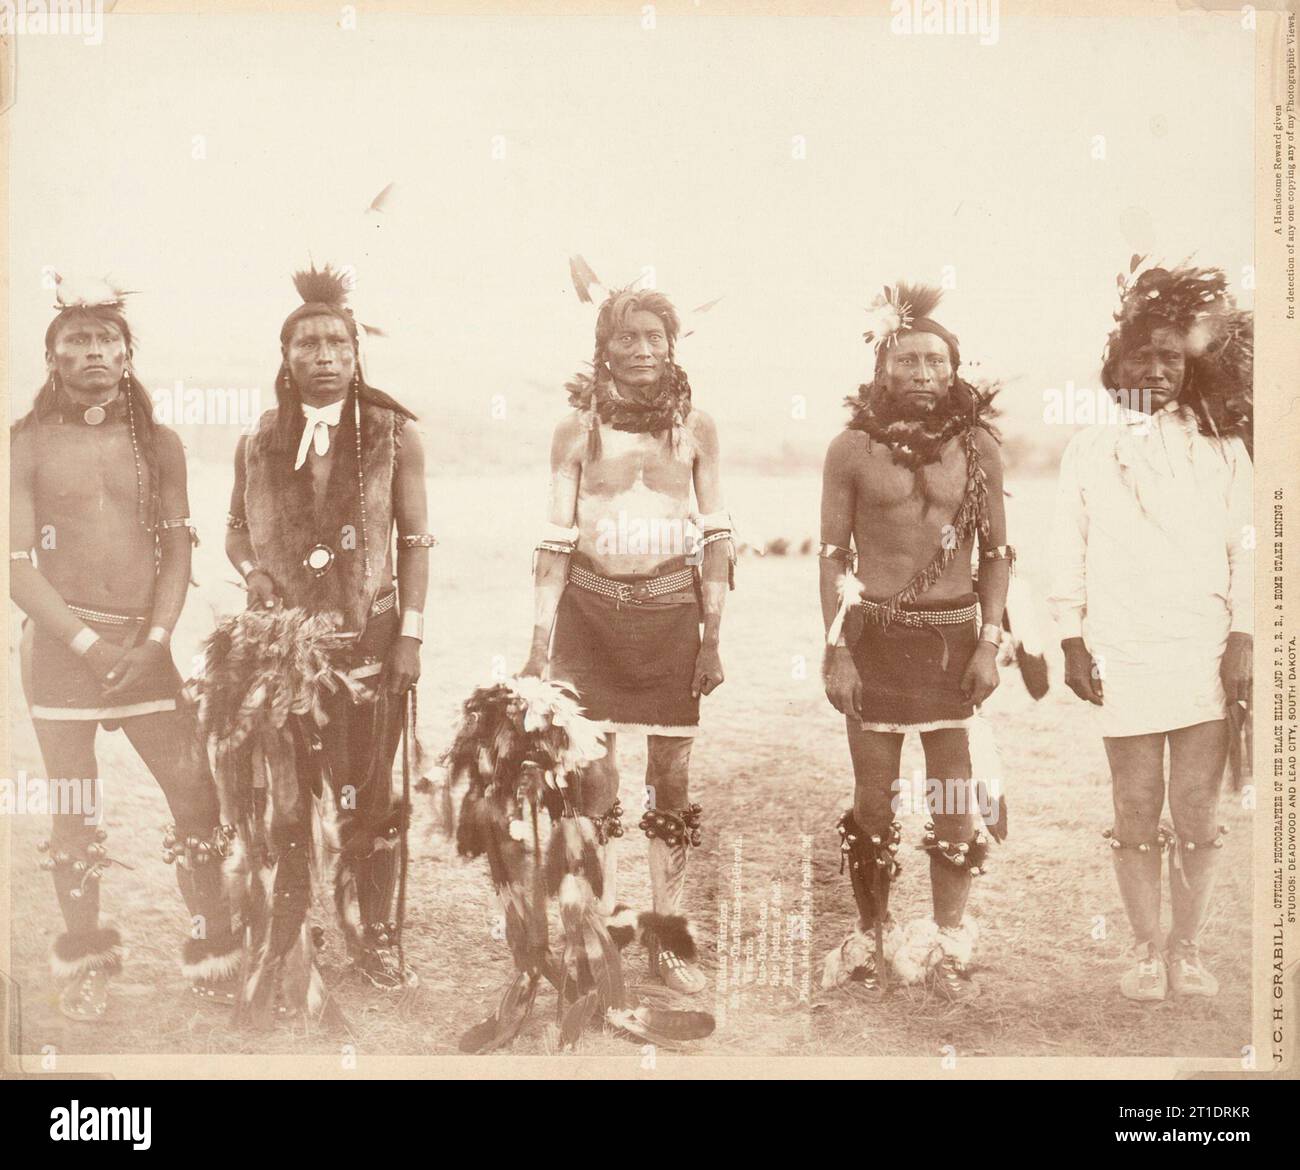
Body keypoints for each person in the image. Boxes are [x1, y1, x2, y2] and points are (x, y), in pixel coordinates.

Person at [10, 277, 238, 1020]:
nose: (93, 352)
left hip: (147, 647)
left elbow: (178, 552)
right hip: (59, 651)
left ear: (128, 355)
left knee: (195, 793)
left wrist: (156, 639)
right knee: (73, 804)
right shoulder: (26, 442)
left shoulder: (160, 445)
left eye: (107, 340)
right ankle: (85, 958)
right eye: (75, 341)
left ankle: (216, 949)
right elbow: (17, 565)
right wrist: (82, 642)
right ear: (52, 358)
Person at [224, 263, 432, 992]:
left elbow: (415, 541)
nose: (324, 356)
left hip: (370, 637)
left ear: (355, 352)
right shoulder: (260, 439)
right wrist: (252, 569)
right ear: (286, 358)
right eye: (308, 344)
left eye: (337, 343)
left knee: (369, 790)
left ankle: (374, 933)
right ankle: (293, 923)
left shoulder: (392, 433)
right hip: (285, 647)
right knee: (291, 790)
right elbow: (234, 531)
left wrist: (410, 634)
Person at [521, 285, 734, 995]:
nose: (642, 350)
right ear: (603, 348)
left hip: (673, 619)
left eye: (654, 338)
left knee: (670, 780)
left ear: (673, 346)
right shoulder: (575, 433)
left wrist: (712, 638)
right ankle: (598, 931)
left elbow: (717, 536)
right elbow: (555, 539)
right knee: (593, 780)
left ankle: (668, 938)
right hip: (589, 618)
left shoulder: (696, 429)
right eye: (626, 339)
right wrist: (537, 647)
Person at [1048, 263, 1252, 1001]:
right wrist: (1070, 637)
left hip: (1203, 648)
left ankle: (1188, 950)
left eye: (1172, 356)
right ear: (1118, 366)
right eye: (1145, 357)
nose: (1159, 370)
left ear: (1189, 365)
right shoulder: (1088, 449)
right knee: (1135, 805)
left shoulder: (1222, 448)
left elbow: (1246, 548)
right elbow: (1066, 550)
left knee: (1196, 808)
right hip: (1123, 651)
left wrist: (1245, 638)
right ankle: (1144, 949)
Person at [819, 283, 1010, 1001]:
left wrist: (990, 641)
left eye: (936, 360)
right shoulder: (851, 449)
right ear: (884, 369)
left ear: (953, 368)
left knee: (954, 796)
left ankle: (948, 942)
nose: (925, 374)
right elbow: (831, 555)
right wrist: (835, 649)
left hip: (954, 643)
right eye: (910, 361)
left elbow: (996, 554)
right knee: (873, 799)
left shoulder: (978, 446)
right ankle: (870, 937)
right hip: (874, 638)